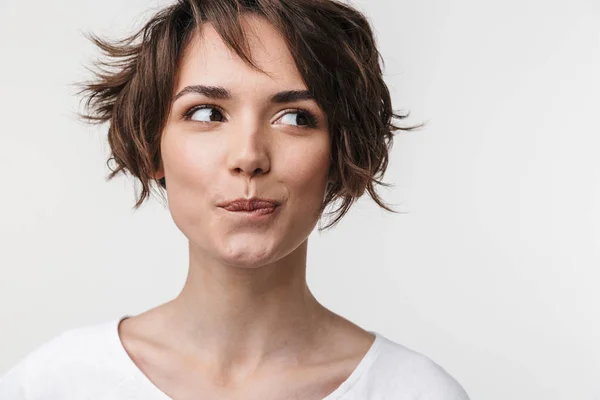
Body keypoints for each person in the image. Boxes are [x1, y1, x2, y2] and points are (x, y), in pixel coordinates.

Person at [0, 0, 470, 398]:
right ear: (152, 147)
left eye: (295, 117)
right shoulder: (55, 384)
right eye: (206, 113)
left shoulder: (413, 391)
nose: (249, 156)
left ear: (339, 155)